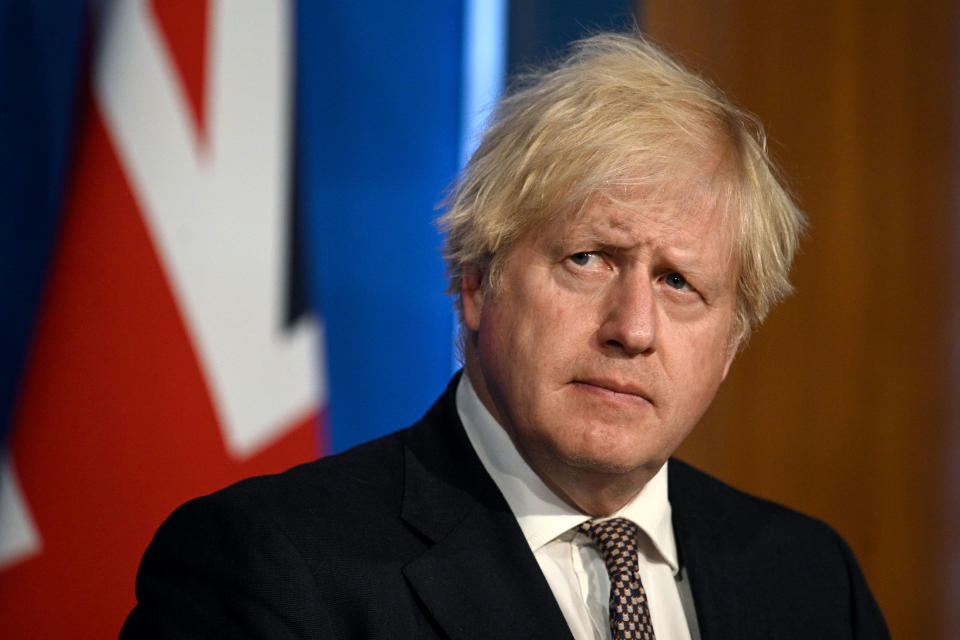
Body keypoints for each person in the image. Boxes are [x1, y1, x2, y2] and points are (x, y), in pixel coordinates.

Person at [121, 32, 889, 639]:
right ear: (476, 282)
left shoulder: (811, 578)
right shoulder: (273, 568)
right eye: (589, 259)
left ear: (729, 346)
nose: (633, 329)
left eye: (680, 283)